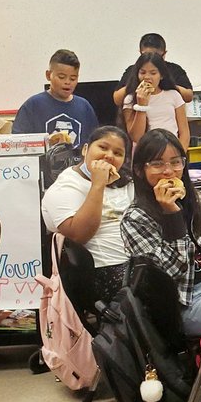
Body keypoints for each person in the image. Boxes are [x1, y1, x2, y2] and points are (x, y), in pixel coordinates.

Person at [119, 129, 201, 337]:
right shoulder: (135, 218)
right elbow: (171, 275)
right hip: (181, 305)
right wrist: (172, 217)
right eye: (157, 164)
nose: (168, 171)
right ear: (139, 170)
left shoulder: (194, 201)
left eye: (176, 162)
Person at [41, 126, 135, 303]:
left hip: (137, 261)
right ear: (85, 149)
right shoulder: (66, 186)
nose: (109, 156)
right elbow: (78, 235)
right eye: (103, 147)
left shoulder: (126, 182)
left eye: (118, 153)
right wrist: (98, 185)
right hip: (101, 269)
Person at [12, 49, 99, 147]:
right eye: (61, 77)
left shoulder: (84, 107)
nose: (67, 82)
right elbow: (18, 142)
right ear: (48, 75)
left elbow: (95, 142)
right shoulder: (32, 105)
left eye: (73, 78)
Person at [122, 52, 189, 150]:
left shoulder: (173, 95)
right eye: (142, 72)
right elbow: (136, 137)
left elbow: (184, 133)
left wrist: (180, 154)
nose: (147, 77)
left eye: (153, 73)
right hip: (145, 153)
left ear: (161, 75)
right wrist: (141, 105)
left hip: (172, 149)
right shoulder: (130, 99)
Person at [112, 33, 194, 107]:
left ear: (164, 54)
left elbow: (189, 96)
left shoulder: (174, 69)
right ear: (140, 53)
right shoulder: (133, 69)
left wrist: (167, 84)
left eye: (156, 56)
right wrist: (134, 84)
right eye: (146, 55)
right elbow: (117, 100)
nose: (152, 59)